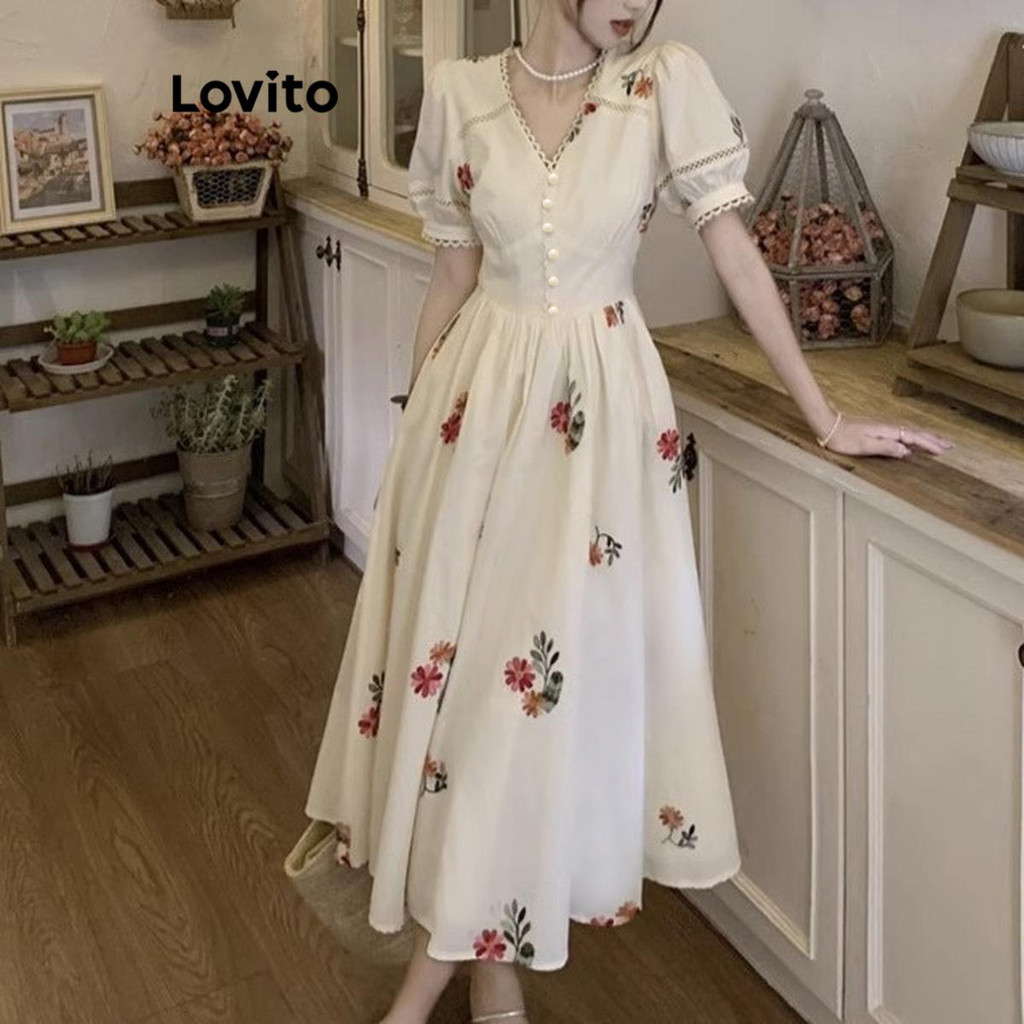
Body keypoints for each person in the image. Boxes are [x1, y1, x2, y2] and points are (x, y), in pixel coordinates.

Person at [301, 2, 956, 1022]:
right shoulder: (460, 95)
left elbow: (736, 253)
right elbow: (451, 279)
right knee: (468, 693)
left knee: (521, 698)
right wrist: (412, 438)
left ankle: (425, 992)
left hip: (595, 431)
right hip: (471, 421)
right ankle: (493, 974)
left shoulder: (661, 84)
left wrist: (827, 419)